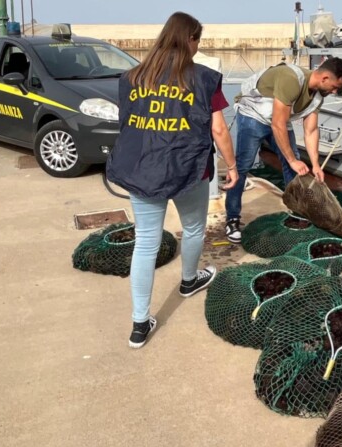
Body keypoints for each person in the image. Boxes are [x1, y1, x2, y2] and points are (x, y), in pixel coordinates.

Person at [107, 12, 238, 349]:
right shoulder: (204, 78)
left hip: (143, 169)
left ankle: (139, 324)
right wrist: (233, 166)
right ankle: (189, 281)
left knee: (146, 242)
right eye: (197, 40)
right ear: (189, 39)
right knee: (193, 229)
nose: (197, 47)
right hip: (188, 168)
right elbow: (219, 129)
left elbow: (129, 122)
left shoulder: (132, 77)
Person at [223, 57, 342, 243]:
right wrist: (292, 159)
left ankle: (296, 213)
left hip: (280, 120)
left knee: (295, 168)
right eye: (335, 86)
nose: (335, 91)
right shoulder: (291, 78)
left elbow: (311, 130)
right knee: (243, 166)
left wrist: (316, 165)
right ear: (324, 78)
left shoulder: (318, 96)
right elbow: (277, 124)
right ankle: (232, 219)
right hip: (254, 116)